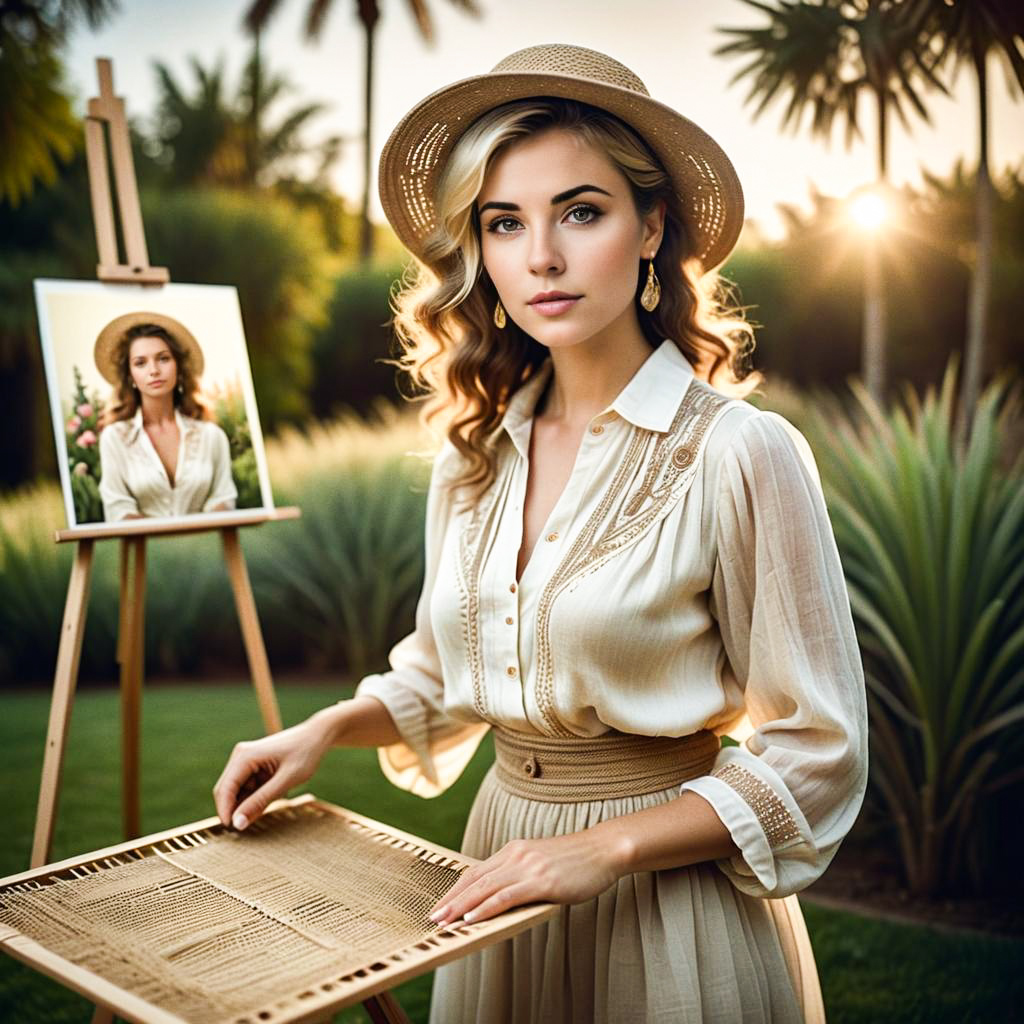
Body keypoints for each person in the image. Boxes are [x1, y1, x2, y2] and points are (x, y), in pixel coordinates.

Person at [213, 44, 868, 1023]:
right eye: (504, 222)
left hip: (667, 905)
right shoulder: (473, 458)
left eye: (581, 211)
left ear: (652, 226)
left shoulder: (739, 453)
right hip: (497, 877)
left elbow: (815, 749)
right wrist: (323, 730)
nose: (541, 257)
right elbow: (447, 674)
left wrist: (605, 846)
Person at [94, 311, 237, 521]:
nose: (153, 370)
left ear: (178, 368)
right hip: (144, 551)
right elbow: (118, 509)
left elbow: (224, 498)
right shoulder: (115, 438)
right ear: (130, 375)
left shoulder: (212, 436)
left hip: (205, 549)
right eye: (140, 363)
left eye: (163, 359)